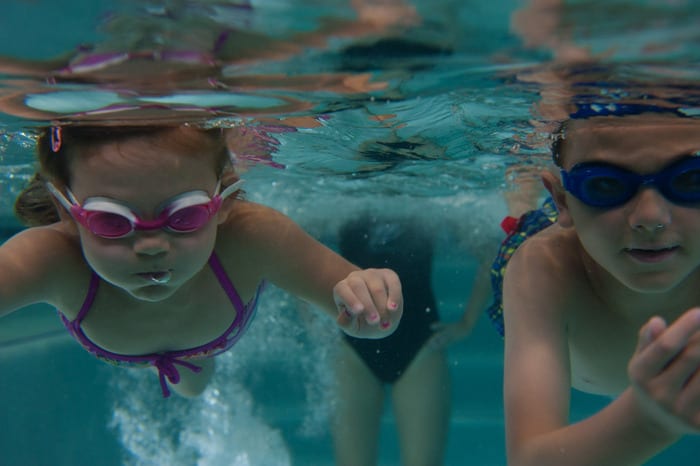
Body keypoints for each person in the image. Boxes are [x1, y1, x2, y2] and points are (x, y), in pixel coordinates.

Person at [0, 123, 402, 398]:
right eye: (111, 220)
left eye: (185, 215)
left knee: (194, 383)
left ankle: (187, 370)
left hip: (202, 348)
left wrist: (373, 305)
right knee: (189, 382)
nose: (151, 246)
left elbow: (358, 297)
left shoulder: (253, 236)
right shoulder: (51, 258)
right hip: (141, 346)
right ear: (67, 212)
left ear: (221, 203)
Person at [489, 112, 700, 465]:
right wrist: (649, 422)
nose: (651, 217)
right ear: (562, 201)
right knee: (523, 225)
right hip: (566, 247)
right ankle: (526, 196)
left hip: (591, 232)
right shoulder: (544, 270)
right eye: (604, 185)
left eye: (692, 179)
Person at [332, 214, 490, 466]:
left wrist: (468, 323)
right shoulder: (342, 199)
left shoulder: (428, 203)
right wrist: (312, 319)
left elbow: (491, 254)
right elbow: (293, 249)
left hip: (420, 348)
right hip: (356, 352)